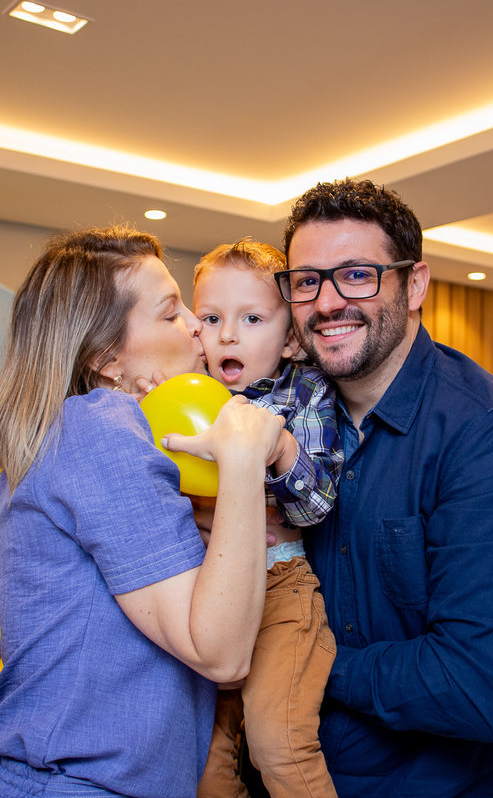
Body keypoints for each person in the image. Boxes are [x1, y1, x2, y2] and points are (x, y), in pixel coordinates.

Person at [279, 179, 493, 797]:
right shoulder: (279, 419)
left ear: (414, 286)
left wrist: (293, 660)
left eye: (357, 275)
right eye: (306, 281)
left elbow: (478, 688)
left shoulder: (492, 432)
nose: (326, 303)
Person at [0, 227, 284, 798]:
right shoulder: (99, 428)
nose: (197, 326)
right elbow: (222, 654)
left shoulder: (77, 429)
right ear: (106, 356)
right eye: (171, 314)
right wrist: (244, 456)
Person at [191, 240, 341, 798]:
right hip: (204, 593)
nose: (227, 335)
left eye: (251, 319)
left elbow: (317, 504)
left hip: (280, 588)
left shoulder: (304, 393)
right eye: (211, 319)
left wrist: (276, 448)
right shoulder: (182, 391)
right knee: (202, 760)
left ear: (291, 339)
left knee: (278, 744)